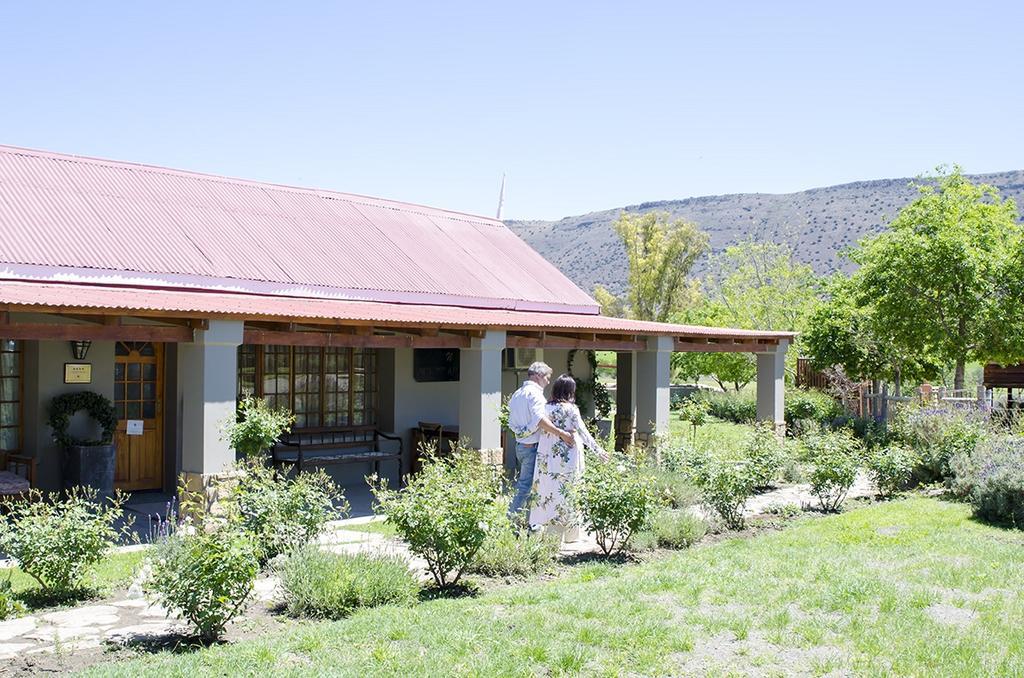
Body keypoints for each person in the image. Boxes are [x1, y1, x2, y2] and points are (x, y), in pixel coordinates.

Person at [529, 374, 607, 542]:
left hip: (547, 454)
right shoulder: (571, 409)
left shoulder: (545, 407)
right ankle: (571, 534)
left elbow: (536, 428)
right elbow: (582, 431)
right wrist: (598, 450)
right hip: (568, 454)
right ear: (570, 391)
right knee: (570, 489)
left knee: (548, 488)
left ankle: (551, 533)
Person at [507, 362, 575, 519]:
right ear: (538, 376)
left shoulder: (517, 394)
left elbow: (510, 422)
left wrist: (523, 433)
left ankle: (528, 521)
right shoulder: (535, 394)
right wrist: (561, 433)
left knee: (528, 485)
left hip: (521, 445)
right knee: (527, 486)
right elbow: (540, 420)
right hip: (532, 447)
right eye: (547, 377)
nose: (549, 381)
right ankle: (512, 521)